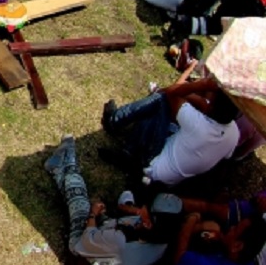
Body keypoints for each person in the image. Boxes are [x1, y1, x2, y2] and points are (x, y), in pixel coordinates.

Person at [45, 136, 170, 265]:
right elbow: (123, 218)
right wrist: (109, 216)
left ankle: (68, 162)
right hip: (105, 252)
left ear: (148, 222)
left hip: (83, 261)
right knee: (89, 205)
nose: (143, 207)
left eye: (146, 209)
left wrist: (93, 214)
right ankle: (57, 170)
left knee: (80, 202)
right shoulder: (161, 240)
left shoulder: (119, 240)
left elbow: (85, 240)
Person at [102, 78, 240, 185]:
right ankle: (129, 148)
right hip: (171, 180)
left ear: (213, 106)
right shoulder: (234, 132)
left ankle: (115, 121)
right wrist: (200, 100)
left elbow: (170, 93)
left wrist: (200, 85)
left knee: (161, 101)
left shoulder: (198, 124)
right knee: (162, 116)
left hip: (152, 166)